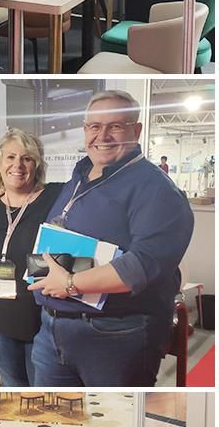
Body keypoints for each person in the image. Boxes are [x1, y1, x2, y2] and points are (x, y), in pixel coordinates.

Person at [29, 90, 195, 386]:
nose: (102, 136)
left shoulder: (157, 190)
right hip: (53, 330)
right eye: (94, 127)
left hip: (116, 337)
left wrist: (69, 284)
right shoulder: (79, 177)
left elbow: (141, 265)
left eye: (115, 126)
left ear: (137, 130)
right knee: (54, 426)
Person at [0, 129, 64, 387]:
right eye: (10, 157)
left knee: (44, 399)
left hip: (43, 324)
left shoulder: (55, 198)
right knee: (14, 397)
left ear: (37, 165)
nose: (17, 165)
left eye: (27, 158)